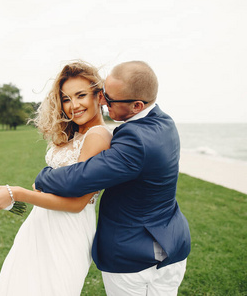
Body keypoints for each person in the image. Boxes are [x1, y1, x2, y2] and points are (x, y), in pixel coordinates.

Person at [33, 61, 191, 296]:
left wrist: (42, 177)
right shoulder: (164, 122)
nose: (103, 101)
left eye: (110, 98)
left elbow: (79, 178)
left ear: (137, 105)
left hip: (136, 259)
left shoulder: (135, 141)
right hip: (172, 247)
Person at [0, 61, 113, 295]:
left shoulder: (98, 136)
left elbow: (76, 203)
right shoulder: (74, 134)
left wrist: (18, 193)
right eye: (66, 99)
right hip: (39, 224)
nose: (73, 105)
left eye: (81, 95)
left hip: (68, 230)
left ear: (99, 96)